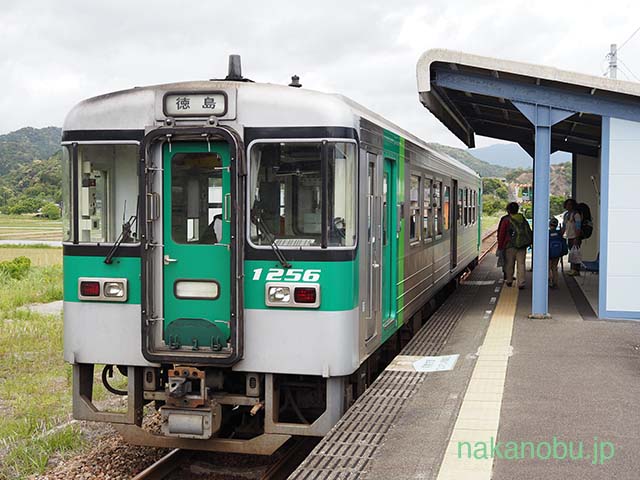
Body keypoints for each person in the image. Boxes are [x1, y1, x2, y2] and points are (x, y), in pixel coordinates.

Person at [497, 202, 533, 289]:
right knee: (521, 264)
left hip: (509, 246)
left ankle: (509, 280)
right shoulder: (522, 218)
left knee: (509, 263)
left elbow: (501, 234)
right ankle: (521, 283)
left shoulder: (506, 220)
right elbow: (528, 231)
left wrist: (500, 246)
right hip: (522, 246)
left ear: (508, 210)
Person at [561, 198, 582, 276]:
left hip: (575, 236)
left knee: (575, 253)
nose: (568, 206)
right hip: (569, 236)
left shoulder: (576, 215)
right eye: (567, 204)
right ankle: (573, 269)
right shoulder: (566, 215)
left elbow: (578, 227)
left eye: (570, 204)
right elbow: (564, 226)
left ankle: (576, 269)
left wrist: (577, 237)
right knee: (572, 253)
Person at [548, 217, 568, 288]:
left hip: (549, 253)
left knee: (548, 267)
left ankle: (549, 280)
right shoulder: (559, 233)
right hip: (557, 254)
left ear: (549, 225)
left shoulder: (548, 233)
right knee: (554, 268)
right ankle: (555, 282)